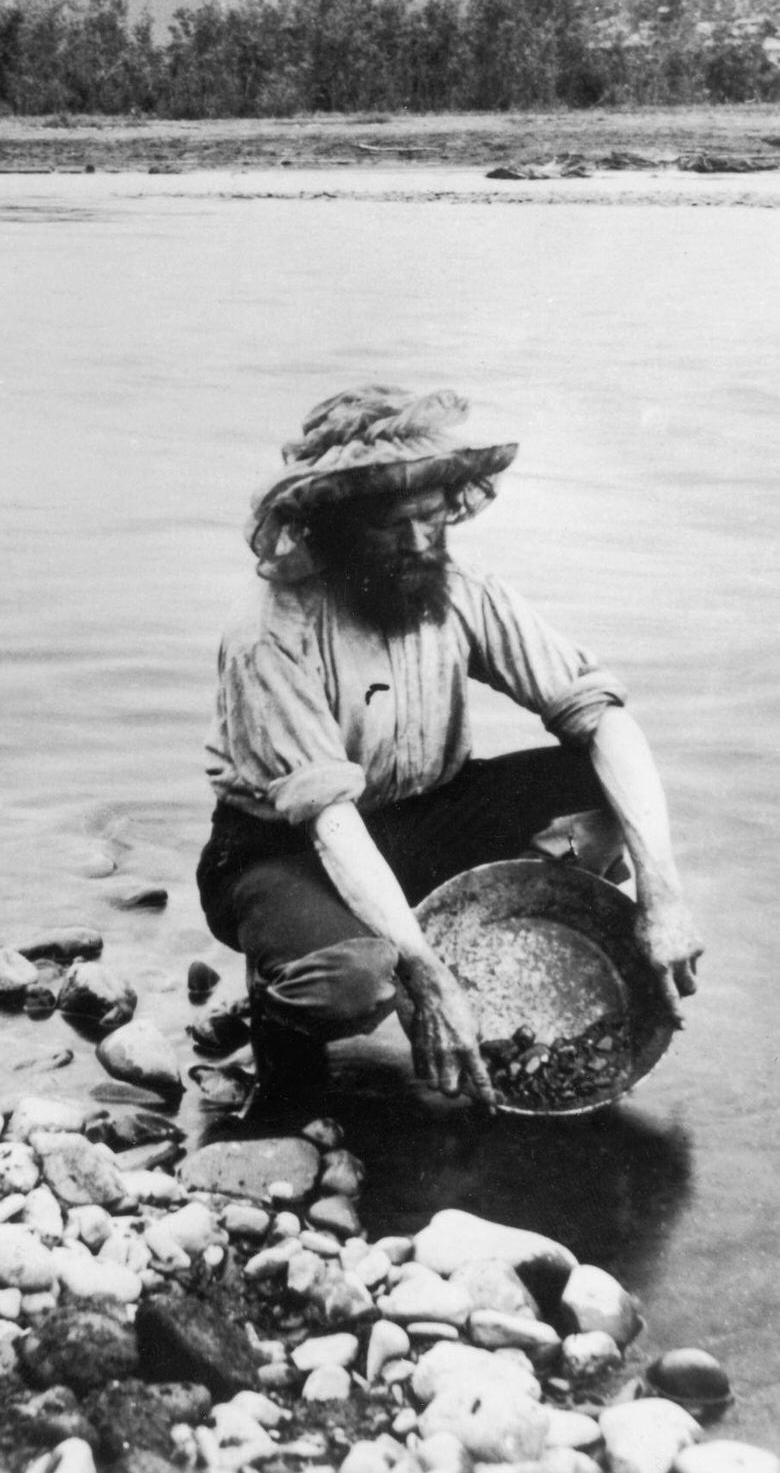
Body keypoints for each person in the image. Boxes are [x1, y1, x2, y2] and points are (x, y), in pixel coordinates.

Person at [197, 385, 702, 1112]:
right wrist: (424, 976)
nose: (415, 543)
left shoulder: (461, 593)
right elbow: (330, 823)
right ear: (333, 526)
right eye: (388, 525)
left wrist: (661, 893)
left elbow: (606, 718)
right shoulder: (271, 633)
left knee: (603, 786)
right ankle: (279, 1025)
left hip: (424, 816)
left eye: (430, 518)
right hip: (282, 847)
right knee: (358, 981)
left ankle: (472, 961)